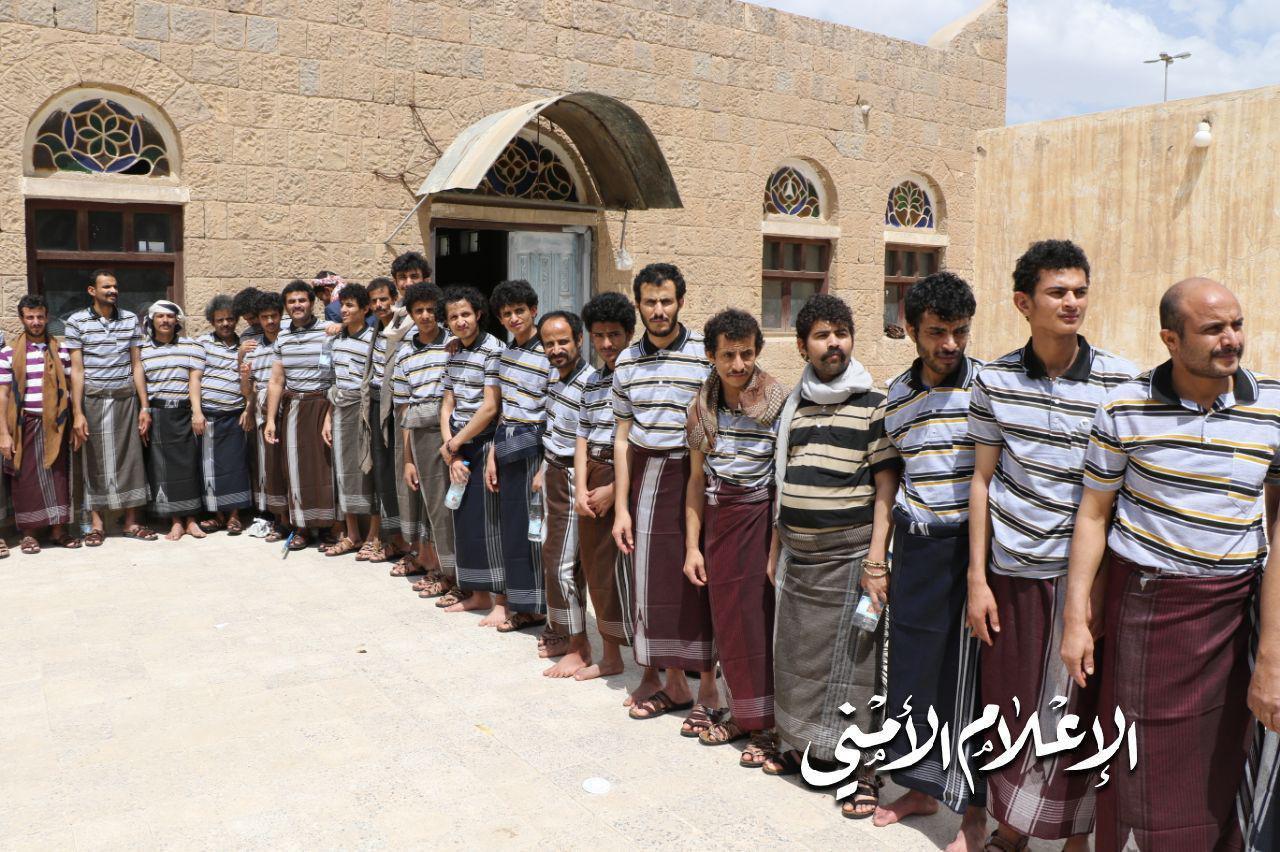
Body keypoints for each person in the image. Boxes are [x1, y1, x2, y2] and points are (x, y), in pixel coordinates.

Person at [1061, 278, 1279, 851]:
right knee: (1135, 757)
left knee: (1221, 760)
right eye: (1213, 329)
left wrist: (1272, 651)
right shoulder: (1125, 407)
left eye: (1236, 325)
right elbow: (1093, 514)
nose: (1231, 339)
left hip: (1233, 611)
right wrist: (1076, 618)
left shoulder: (1273, 407)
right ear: (1171, 339)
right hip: (1147, 608)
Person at [966, 240, 1136, 852]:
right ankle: (1011, 829)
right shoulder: (993, 380)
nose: (1072, 303)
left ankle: (1074, 838)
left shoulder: (1120, 382)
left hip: (1084, 576)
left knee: (1080, 707)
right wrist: (977, 579)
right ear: (1023, 302)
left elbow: (1117, 496)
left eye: (1080, 291)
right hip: (1012, 570)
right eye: (1057, 292)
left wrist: (1094, 591)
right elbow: (981, 479)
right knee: (1011, 703)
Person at [768, 293, 899, 819]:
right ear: (803, 346)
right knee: (798, 662)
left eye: (841, 333)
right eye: (822, 336)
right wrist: (775, 550)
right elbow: (782, 485)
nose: (833, 344)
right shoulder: (794, 406)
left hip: (851, 562)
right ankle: (806, 749)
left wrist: (876, 562)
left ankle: (862, 770)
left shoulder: (873, 404)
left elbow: (886, 488)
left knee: (855, 670)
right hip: (799, 561)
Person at [872, 272, 989, 849]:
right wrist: (878, 558)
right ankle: (919, 789)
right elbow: (888, 480)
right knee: (912, 674)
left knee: (969, 682)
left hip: (973, 551)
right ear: (911, 329)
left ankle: (972, 814)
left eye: (960, 331)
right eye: (938, 332)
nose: (950, 344)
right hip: (916, 548)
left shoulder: (988, 387)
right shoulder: (895, 397)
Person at [611, 263, 719, 736]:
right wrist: (621, 506)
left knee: (699, 582)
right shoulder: (626, 363)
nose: (659, 310)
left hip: (697, 474)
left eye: (666, 301)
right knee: (654, 585)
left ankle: (710, 690)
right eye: (650, 302)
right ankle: (674, 684)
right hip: (647, 476)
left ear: (680, 302)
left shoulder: (704, 353)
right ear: (639, 305)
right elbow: (621, 438)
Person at [682, 309, 787, 767]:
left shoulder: (779, 403)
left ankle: (766, 726)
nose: (738, 364)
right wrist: (692, 546)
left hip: (760, 520)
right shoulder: (700, 408)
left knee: (758, 624)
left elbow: (783, 479)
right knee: (727, 623)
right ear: (711, 355)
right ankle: (743, 714)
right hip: (718, 520)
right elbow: (695, 480)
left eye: (746, 354)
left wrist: (775, 548)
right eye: (728, 355)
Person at [572, 292, 637, 682]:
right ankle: (611, 655)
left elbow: (642, 439)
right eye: (599, 335)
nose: (607, 343)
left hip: (628, 476)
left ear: (629, 333)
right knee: (599, 572)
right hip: (593, 477)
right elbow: (582, 436)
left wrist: (616, 490)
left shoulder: (639, 377)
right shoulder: (592, 382)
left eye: (614, 334)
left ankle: (656, 660)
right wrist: (581, 487)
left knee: (636, 574)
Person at [64, 269, 155, 545]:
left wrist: (145, 407)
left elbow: (136, 365)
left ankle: (131, 522)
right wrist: (78, 413)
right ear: (92, 291)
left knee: (131, 458)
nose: (113, 291)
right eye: (106, 287)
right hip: (92, 400)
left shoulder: (130, 319)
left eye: (115, 286)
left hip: (126, 399)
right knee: (93, 460)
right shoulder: (76, 322)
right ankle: (96, 525)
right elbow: (77, 370)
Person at [482, 279, 552, 633]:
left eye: (519, 311)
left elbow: (556, 411)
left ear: (533, 310)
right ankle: (521, 604)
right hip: (507, 447)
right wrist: (492, 454)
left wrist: (546, 466)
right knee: (512, 529)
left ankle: (540, 607)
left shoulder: (550, 353)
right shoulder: (504, 357)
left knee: (536, 529)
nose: (514, 318)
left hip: (537, 449)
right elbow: (502, 410)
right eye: (506, 313)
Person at [439, 286, 504, 619]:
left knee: (491, 523)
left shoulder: (494, 350)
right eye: (453, 317)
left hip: (486, 443)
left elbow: (490, 408)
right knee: (464, 520)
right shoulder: (452, 353)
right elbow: (447, 402)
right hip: (459, 444)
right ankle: (478, 595)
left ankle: (502, 601)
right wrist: (450, 447)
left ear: (478, 314)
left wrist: (455, 443)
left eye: (465, 314)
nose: (460, 321)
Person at [536, 310, 595, 676]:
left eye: (563, 342)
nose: (556, 349)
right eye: (549, 343)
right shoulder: (555, 380)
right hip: (553, 473)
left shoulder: (590, 383)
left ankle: (579, 645)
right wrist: (542, 471)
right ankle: (561, 631)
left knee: (564, 566)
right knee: (552, 556)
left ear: (579, 340)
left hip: (576, 477)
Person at [0, 294, 78, 553]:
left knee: (58, 478)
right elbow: (3, 395)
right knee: (25, 480)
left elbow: (71, 386)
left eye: (40, 317)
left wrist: (77, 418)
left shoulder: (61, 350)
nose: (35, 322)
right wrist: (4, 434)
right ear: (22, 319)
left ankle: (58, 531)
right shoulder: (8, 353)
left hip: (57, 425)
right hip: (23, 425)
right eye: (30, 317)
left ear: (47, 318)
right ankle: (29, 535)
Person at [393, 282, 455, 600]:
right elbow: (404, 409)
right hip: (421, 435)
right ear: (411, 314)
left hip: (453, 432)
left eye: (431, 309)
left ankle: (454, 573)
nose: (426, 315)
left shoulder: (453, 344)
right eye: (419, 310)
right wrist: (408, 459)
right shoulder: (405, 353)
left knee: (451, 505)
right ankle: (439, 568)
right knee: (432, 506)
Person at [264, 280, 337, 549]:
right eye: (292, 302)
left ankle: (330, 528)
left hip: (323, 405)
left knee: (326, 468)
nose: (297, 305)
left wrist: (330, 413)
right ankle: (302, 527)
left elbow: (337, 375)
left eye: (302, 300)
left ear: (312, 302)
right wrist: (271, 420)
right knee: (296, 470)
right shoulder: (282, 337)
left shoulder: (328, 331)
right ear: (286, 307)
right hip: (294, 408)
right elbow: (276, 380)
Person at [139, 301, 207, 542]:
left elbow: (194, 382)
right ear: (152, 320)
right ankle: (176, 521)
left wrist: (197, 413)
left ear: (177, 321)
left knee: (189, 467)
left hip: (183, 413)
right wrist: (144, 410)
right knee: (162, 470)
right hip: (158, 414)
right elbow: (141, 384)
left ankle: (191, 520)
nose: (165, 320)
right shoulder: (142, 350)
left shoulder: (192, 347)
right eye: (160, 316)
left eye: (170, 316)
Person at [361, 275, 412, 564]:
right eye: (375, 301)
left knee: (399, 472)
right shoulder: (376, 329)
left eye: (384, 299)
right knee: (382, 473)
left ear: (394, 299)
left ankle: (407, 542)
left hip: (397, 407)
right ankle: (392, 539)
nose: (380, 305)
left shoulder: (404, 327)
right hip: (376, 404)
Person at [325, 282, 375, 557]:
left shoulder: (374, 339)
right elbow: (331, 379)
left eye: (350, 305)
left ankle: (374, 535)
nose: (343, 310)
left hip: (364, 409)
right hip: (340, 408)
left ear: (365, 309)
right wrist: (328, 417)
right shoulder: (335, 340)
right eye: (342, 305)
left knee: (369, 469)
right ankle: (352, 533)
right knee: (343, 470)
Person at [197, 295, 253, 535]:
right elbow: (195, 378)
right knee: (210, 467)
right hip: (209, 415)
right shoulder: (202, 344)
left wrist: (248, 408)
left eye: (230, 319)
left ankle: (234, 516)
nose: (225, 324)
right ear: (212, 321)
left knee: (235, 466)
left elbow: (250, 381)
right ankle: (216, 515)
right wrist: (197, 412)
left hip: (235, 414)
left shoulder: (245, 344)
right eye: (220, 320)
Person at [242, 291, 288, 538]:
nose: (270, 321)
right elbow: (247, 389)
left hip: (288, 410)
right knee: (267, 466)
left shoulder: (290, 340)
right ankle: (274, 517)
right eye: (264, 317)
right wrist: (249, 408)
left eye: (274, 316)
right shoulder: (253, 348)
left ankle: (293, 519)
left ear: (281, 315)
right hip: (263, 413)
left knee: (288, 465)